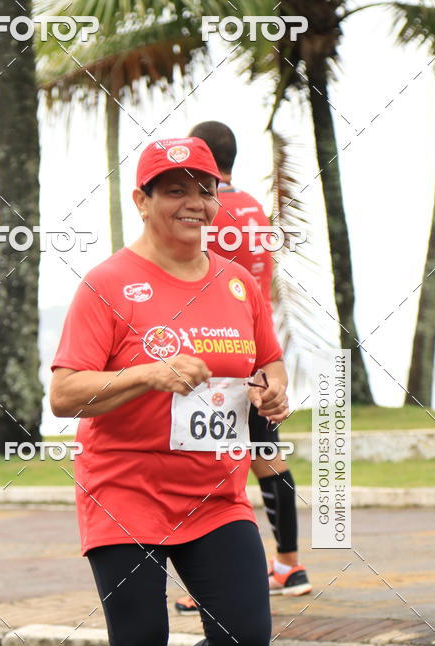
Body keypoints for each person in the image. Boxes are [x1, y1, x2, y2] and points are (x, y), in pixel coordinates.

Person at [50, 136, 289, 646]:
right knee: (140, 639)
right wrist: (146, 375)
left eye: (206, 189)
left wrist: (274, 389)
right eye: (176, 188)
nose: (196, 202)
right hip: (122, 491)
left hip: (214, 493)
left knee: (245, 638)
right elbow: (64, 393)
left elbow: (269, 363)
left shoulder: (240, 283)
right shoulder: (107, 285)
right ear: (143, 200)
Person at [169, 121, 311, 615]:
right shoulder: (252, 207)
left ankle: (211, 584)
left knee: (209, 460)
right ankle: (290, 563)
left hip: (218, 347)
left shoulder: (205, 211)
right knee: (268, 457)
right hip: (259, 345)